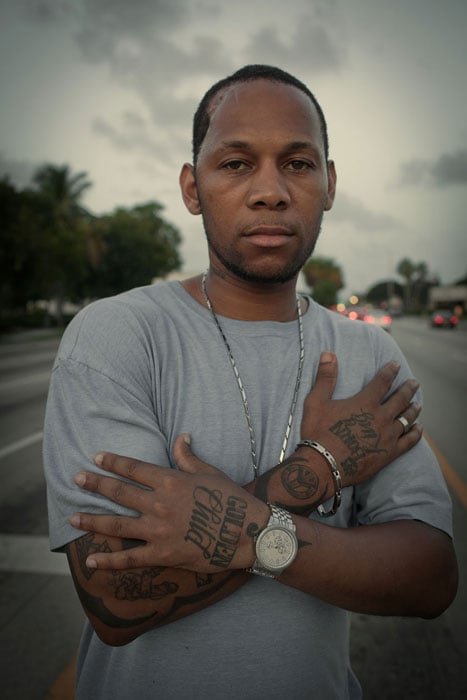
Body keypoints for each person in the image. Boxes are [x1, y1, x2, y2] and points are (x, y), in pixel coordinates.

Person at [43, 65, 457, 699]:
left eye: (297, 163)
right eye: (236, 164)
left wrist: (243, 530)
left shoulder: (368, 352)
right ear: (192, 187)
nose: (270, 191)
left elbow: (430, 578)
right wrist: (320, 469)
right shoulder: (118, 335)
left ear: (330, 183)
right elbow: (112, 598)